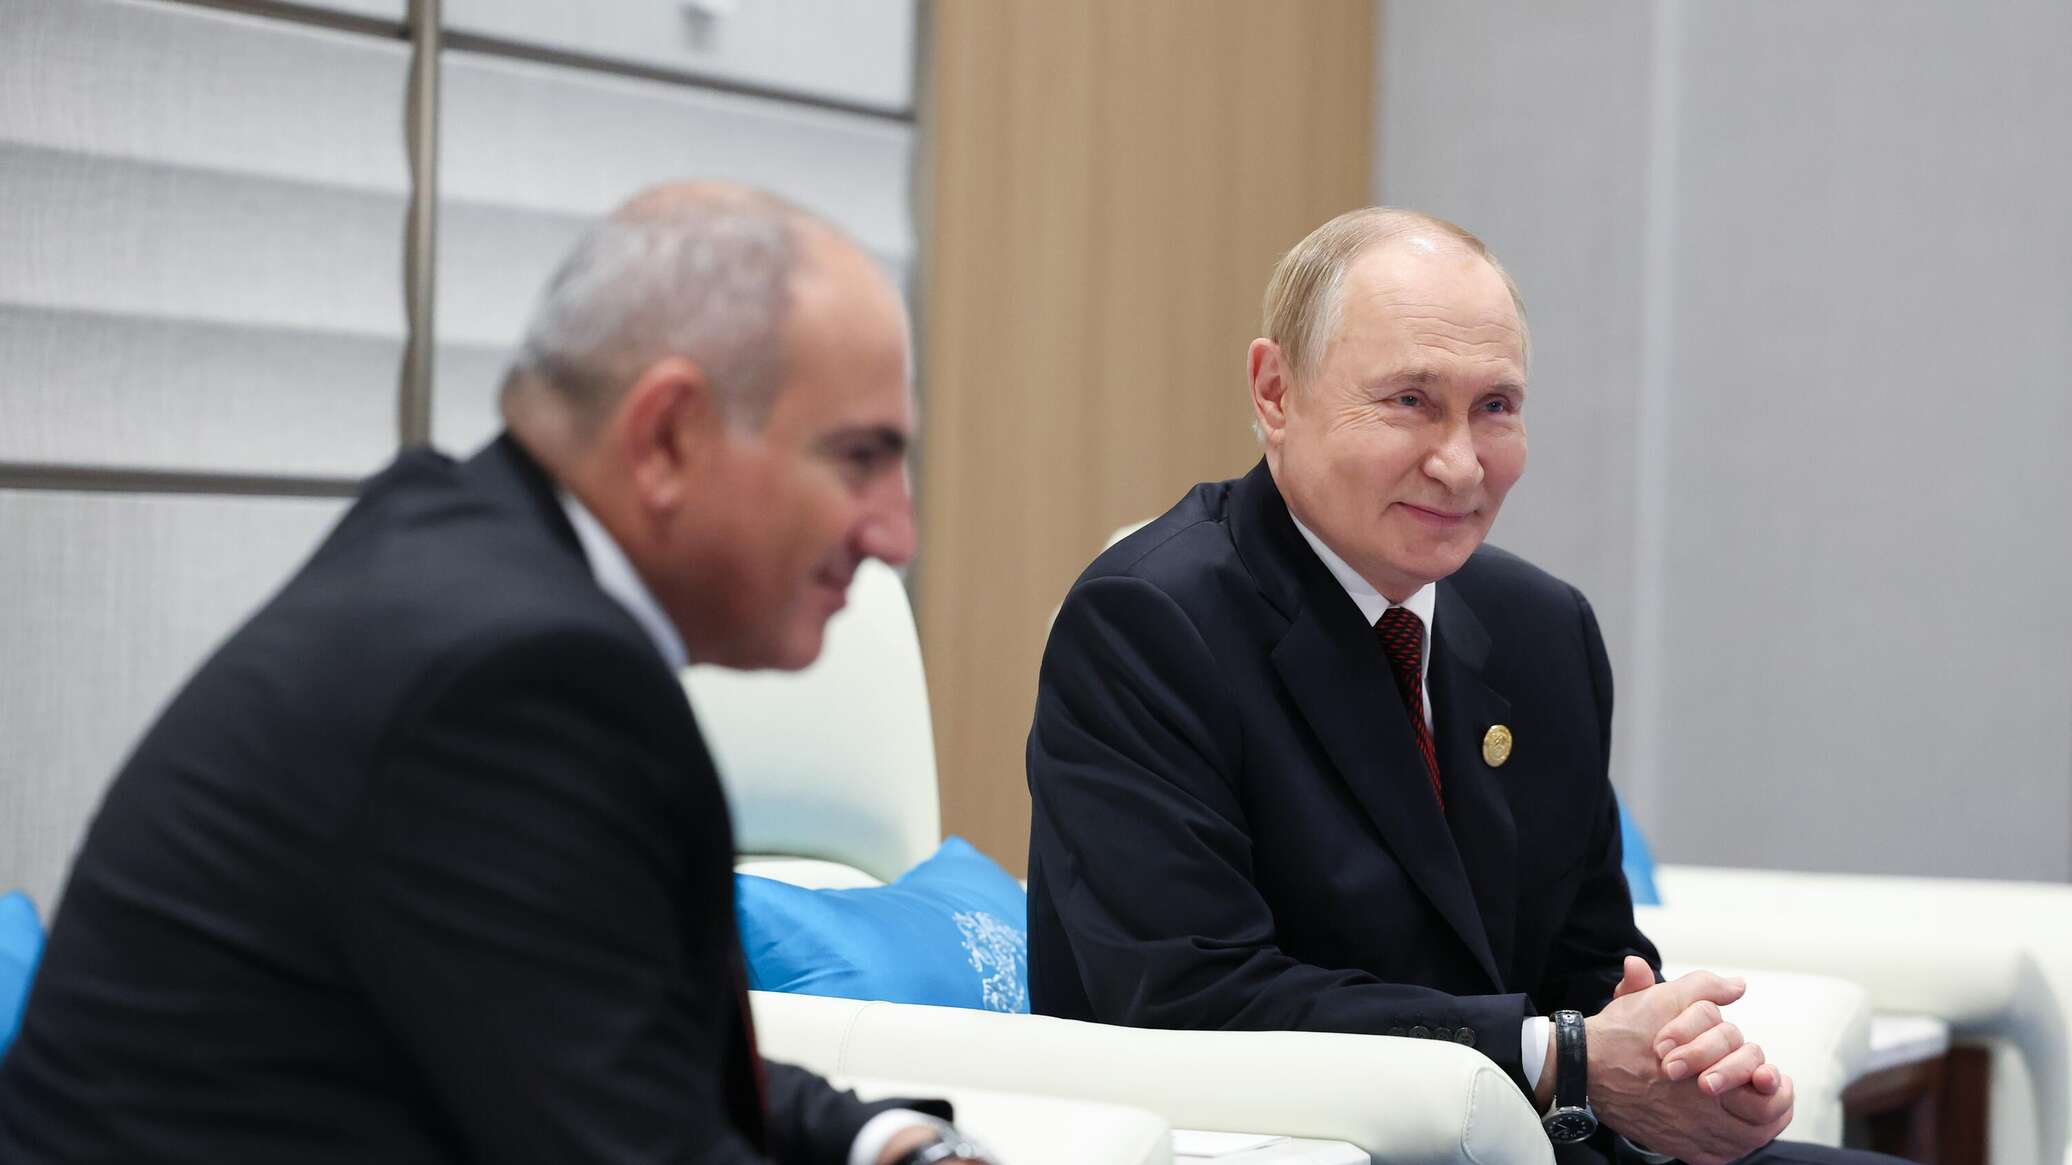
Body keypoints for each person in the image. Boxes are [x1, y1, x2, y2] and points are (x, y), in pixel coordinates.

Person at [0, 183, 991, 1165]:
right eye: (858, 459)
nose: (894, 534)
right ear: (666, 439)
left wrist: (886, 1139)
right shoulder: (517, 678)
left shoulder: (463, 558)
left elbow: (603, 1032)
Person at [1026, 207, 1893, 1165]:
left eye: (1496, 407)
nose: (1460, 462)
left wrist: (1679, 1058)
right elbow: (1191, 996)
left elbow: (1587, 959)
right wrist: (1560, 1054)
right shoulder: (1148, 624)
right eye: (1410, 401)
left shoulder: (1542, 628)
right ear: (1275, 392)